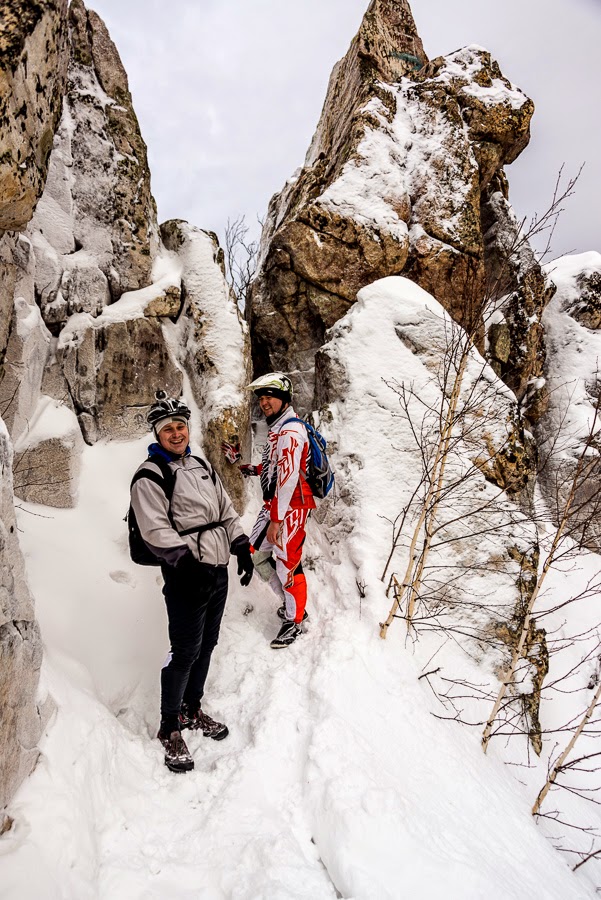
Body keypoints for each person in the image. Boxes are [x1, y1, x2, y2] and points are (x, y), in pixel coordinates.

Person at [130, 391, 253, 773]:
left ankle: (191, 708)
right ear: (157, 433)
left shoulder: (200, 466)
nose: (176, 433)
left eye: (181, 426)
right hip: (186, 574)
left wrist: (242, 545)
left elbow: (226, 510)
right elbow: (155, 529)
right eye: (168, 428)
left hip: (216, 571)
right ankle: (169, 726)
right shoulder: (150, 475)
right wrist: (187, 566)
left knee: (208, 643)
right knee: (184, 650)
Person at [242, 373, 315, 649]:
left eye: (269, 397)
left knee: (288, 564)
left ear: (284, 399)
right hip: (277, 507)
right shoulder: (280, 430)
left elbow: (287, 479)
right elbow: (276, 469)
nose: (264, 403)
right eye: (261, 398)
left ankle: (295, 621)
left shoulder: (291, 432)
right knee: (258, 555)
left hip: (290, 509)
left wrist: (276, 520)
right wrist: (248, 467)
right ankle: (291, 605)